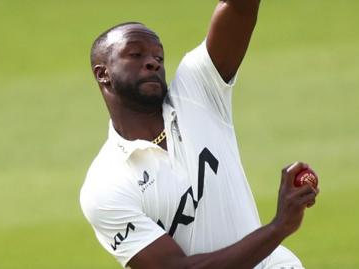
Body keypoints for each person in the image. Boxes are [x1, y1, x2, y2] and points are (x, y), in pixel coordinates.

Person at [80, 1, 319, 268]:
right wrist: (278, 227)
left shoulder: (198, 92)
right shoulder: (105, 186)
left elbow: (240, 8)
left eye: (159, 57)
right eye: (136, 55)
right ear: (103, 74)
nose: (152, 63)